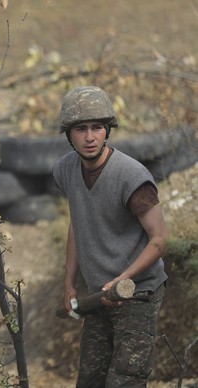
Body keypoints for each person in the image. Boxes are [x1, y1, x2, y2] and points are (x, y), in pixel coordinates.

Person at [52, 86, 168, 387]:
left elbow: (159, 239)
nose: (90, 137)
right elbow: (78, 223)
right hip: (99, 296)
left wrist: (123, 279)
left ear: (107, 131)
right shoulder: (65, 170)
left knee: (125, 381)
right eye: (80, 129)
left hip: (137, 291)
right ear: (68, 134)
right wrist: (69, 284)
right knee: (90, 379)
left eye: (97, 128)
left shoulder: (131, 176)